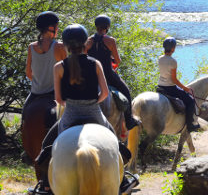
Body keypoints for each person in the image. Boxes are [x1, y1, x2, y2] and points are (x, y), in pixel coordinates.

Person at [32, 24, 139, 195]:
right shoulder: (95, 63)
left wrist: (72, 104)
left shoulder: (59, 67)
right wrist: (92, 102)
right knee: (116, 143)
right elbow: (105, 93)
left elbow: (58, 99)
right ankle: (124, 181)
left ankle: (45, 184)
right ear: (85, 43)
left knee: (46, 145)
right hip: (94, 114)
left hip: (69, 116)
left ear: (66, 45)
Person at [24, 12, 66, 194]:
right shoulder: (59, 46)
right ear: (52, 28)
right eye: (56, 26)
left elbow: (28, 73)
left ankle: (27, 150)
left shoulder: (32, 46)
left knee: (26, 115)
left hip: (35, 94)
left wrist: (39, 80)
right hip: (52, 95)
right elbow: (68, 69)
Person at [85, 14, 140, 131]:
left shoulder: (89, 41)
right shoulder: (110, 40)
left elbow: (84, 57)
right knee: (126, 91)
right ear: (107, 27)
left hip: (91, 76)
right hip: (107, 75)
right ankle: (129, 120)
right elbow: (118, 60)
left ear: (96, 26)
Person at [157, 37, 200, 132]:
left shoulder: (160, 58)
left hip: (160, 86)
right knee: (191, 101)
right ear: (173, 49)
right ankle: (190, 125)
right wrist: (185, 88)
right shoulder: (173, 61)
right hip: (170, 88)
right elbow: (174, 80)